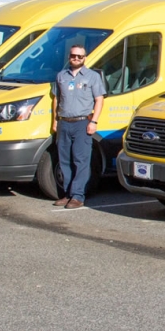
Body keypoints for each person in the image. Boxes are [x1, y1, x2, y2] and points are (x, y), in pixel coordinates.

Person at [51, 44, 106, 208]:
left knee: (81, 160)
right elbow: (56, 99)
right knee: (64, 160)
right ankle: (67, 194)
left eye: (79, 56)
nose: (76, 58)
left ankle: (78, 196)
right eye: (73, 56)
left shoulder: (92, 76)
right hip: (64, 122)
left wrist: (94, 121)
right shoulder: (61, 75)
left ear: (84, 58)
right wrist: (55, 120)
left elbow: (99, 100)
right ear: (69, 57)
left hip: (82, 123)